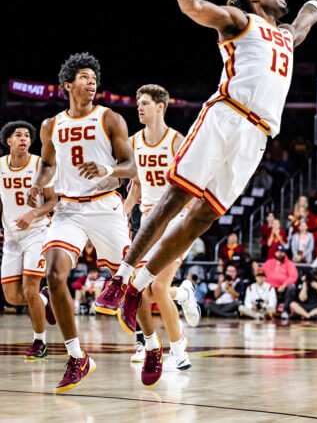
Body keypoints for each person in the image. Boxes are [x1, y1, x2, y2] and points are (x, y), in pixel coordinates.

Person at [93, 0, 317, 387]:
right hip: (226, 116)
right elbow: (194, 8)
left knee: (204, 217)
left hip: (257, 137)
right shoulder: (239, 19)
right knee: (175, 198)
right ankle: (121, 278)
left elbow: (306, 19)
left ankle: (140, 287)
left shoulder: (284, 35)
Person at [28, 53, 136, 392]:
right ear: (68, 84)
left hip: (105, 206)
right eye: (86, 77)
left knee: (132, 284)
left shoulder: (111, 119)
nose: (92, 83)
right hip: (69, 209)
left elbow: (130, 167)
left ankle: (150, 343)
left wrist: (108, 170)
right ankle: (77, 356)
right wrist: (36, 182)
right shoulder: (51, 125)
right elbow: (47, 165)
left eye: (95, 78)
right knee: (54, 274)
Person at [119, 84, 200, 373]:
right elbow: (136, 185)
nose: (139, 108)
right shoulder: (133, 142)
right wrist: (124, 212)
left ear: (160, 107)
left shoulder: (177, 141)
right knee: (141, 293)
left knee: (158, 286)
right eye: (138, 103)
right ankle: (185, 295)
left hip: (176, 222)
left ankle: (178, 350)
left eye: (144, 103)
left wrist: (187, 214)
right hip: (147, 225)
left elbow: (193, 184)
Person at [0, 120, 57, 359]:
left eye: (27, 136)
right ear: (8, 141)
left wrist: (33, 213)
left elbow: (54, 201)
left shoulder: (39, 166)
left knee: (29, 289)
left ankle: (39, 342)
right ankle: (46, 299)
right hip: (12, 236)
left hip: (38, 232)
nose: (23, 138)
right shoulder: (0, 166)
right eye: (18, 135)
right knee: (12, 297)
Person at [260, 246, 299, 314]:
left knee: (291, 287)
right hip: (270, 287)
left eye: (281, 252)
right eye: (278, 252)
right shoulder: (269, 262)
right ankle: (263, 310)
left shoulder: (289, 263)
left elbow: (293, 277)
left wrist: (284, 285)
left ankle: (285, 311)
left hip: (282, 288)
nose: (279, 254)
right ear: (275, 253)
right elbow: (260, 272)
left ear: (284, 253)